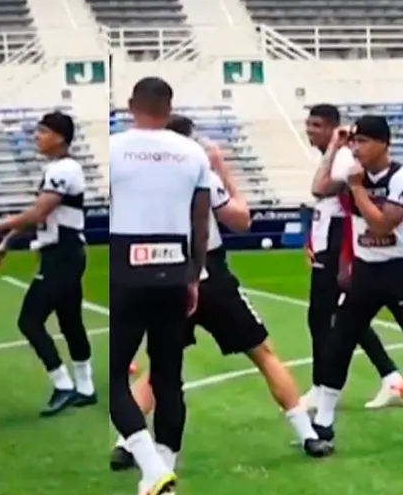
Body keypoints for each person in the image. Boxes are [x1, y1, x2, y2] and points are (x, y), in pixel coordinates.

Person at [110, 115, 333, 472]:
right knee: (263, 352)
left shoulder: (139, 177)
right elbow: (240, 220)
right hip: (207, 272)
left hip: (161, 274)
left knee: (160, 364)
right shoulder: (197, 172)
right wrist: (222, 169)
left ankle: (126, 443)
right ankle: (307, 433)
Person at [105, 77, 209, 495]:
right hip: (174, 269)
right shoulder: (193, 152)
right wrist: (194, 275)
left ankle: (152, 470)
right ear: (169, 107)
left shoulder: (113, 148)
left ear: (132, 105)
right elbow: (200, 221)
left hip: (127, 268)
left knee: (115, 378)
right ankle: (162, 473)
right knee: (169, 377)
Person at [312, 115, 403, 446]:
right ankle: (323, 421)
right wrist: (334, 147)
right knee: (340, 343)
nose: (357, 148)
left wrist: (357, 189)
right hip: (365, 273)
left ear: (384, 143)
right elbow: (318, 188)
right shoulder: (353, 173)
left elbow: (383, 224)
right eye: (355, 141)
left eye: (364, 141)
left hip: (398, 272)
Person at [0, 111, 95, 417]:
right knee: (70, 321)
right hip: (65, 253)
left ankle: (63, 384)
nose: (37, 136)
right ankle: (85, 388)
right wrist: (8, 242)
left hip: (62, 256)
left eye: (43, 131)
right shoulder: (59, 169)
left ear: (59, 136)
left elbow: (39, 213)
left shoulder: (64, 169)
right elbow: (40, 214)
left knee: (30, 321)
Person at [305, 104, 403, 410]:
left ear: (333, 127)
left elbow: (328, 196)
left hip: (340, 243)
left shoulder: (343, 158)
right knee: (343, 317)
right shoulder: (336, 156)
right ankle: (391, 378)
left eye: (317, 125)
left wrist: (341, 256)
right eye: (309, 124)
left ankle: (322, 387)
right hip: (330, 241)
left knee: (325, 317)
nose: (310, 130)